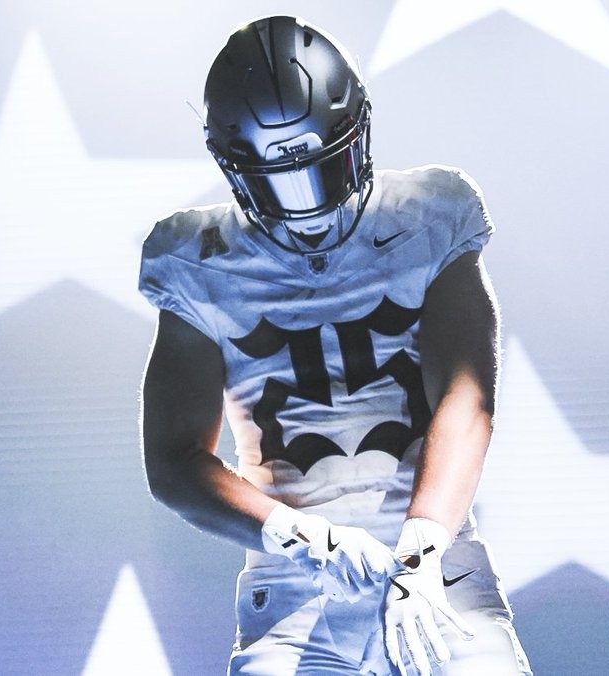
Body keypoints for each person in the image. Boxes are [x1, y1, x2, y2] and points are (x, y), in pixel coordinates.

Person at [138, 15, 531, 675]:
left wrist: (421, 548)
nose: (308, 206)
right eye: (277, 177)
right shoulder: (195, 259)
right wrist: (300, 535)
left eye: (319, 169)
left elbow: (467, 396)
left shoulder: (430, 213)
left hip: (436, 566)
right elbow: (174, 460)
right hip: (295, 583)